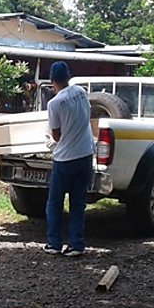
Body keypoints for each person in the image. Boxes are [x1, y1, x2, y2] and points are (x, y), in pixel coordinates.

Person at [43, 61, 95, 257]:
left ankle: (54, 243)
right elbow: (87, 115)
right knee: (78, 202)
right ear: (68, 76)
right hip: (85, 154)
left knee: (55, 202)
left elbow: (56, 135)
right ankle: (77, 244)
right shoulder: (81, 92)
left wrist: (49, 137)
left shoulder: (54, 103)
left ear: (51, 80)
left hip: (65, 158)